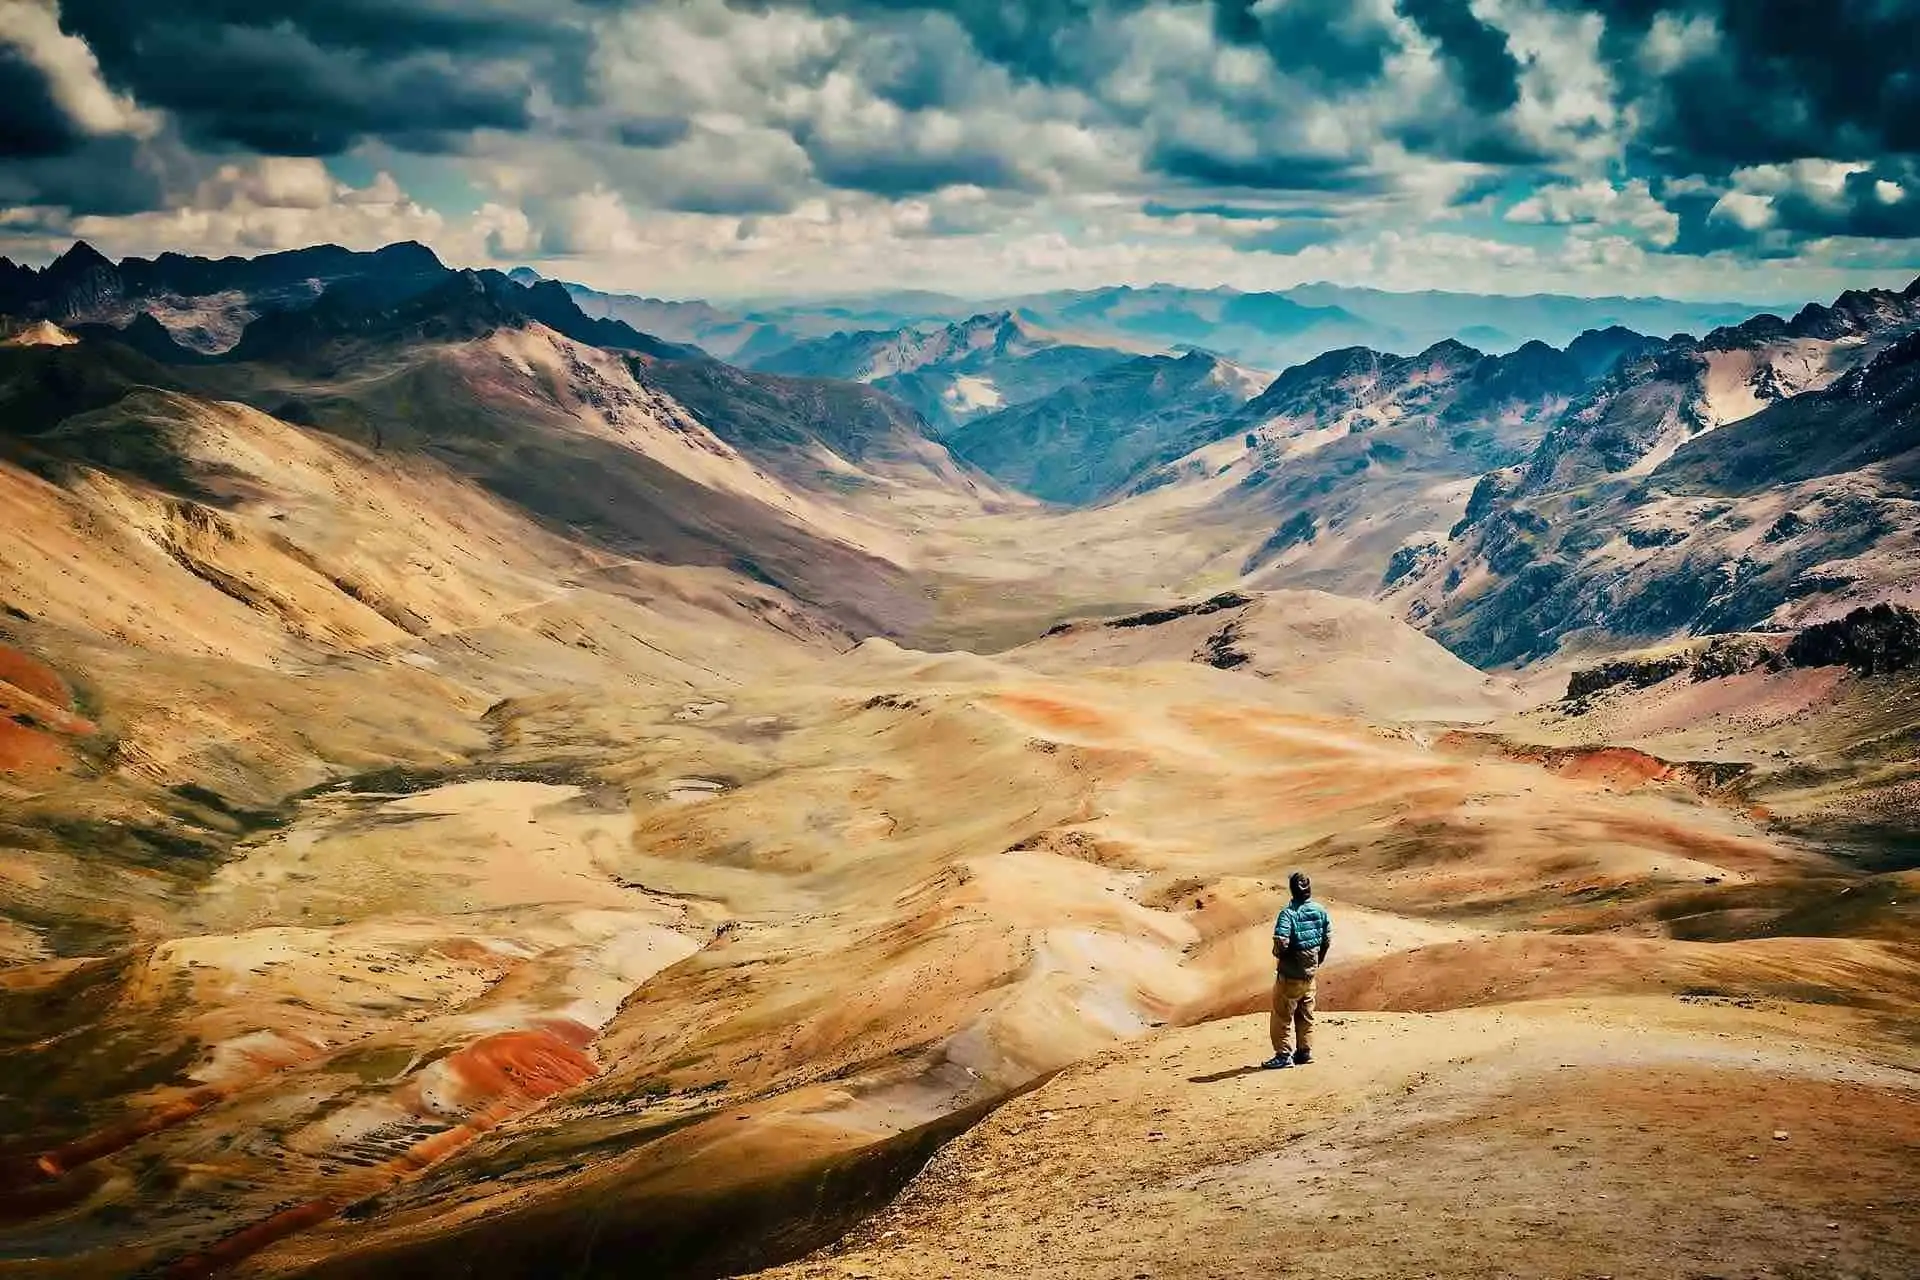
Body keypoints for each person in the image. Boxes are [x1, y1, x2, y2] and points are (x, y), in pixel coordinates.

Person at [1263, 871, 1331, 1069]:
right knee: (1306, 1014)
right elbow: (1326, 939)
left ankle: (1283, 1055)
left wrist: (1280, 955)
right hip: (1310, 976)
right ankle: (1304, 1051)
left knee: (1281, 1016)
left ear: (1292, 890)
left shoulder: (1289, 913)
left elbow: (1281, 940)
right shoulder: (1320, 910)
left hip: (1290, 976)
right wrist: (1317, 961)